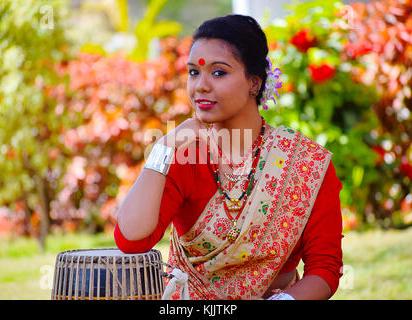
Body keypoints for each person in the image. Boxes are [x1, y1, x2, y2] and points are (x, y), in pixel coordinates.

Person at [114, 14, 343, 300]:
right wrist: (163, 148)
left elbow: (324, 268)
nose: (200, 86)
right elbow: (131, 240)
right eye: (194, 72)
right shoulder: (187, 156)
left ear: (254, 83)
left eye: (218, 72)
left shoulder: (304, 163)